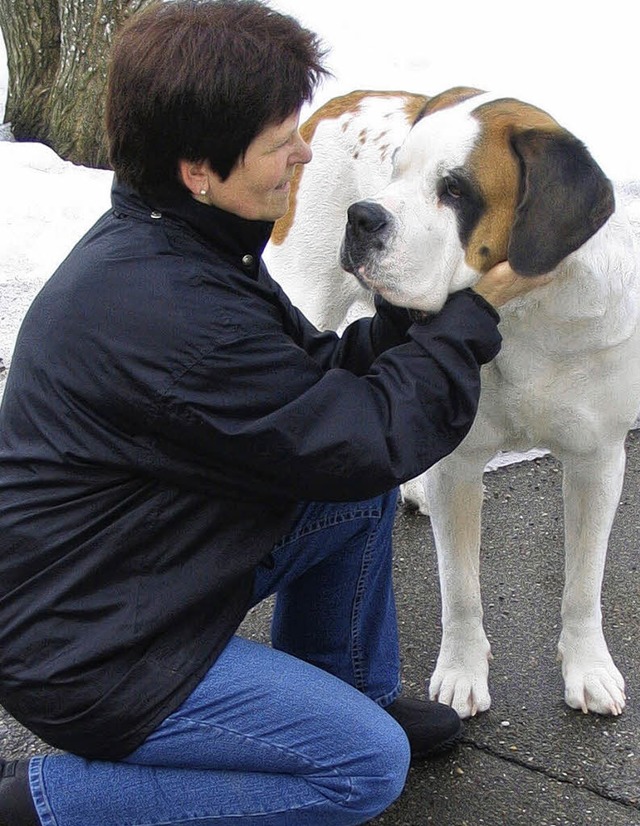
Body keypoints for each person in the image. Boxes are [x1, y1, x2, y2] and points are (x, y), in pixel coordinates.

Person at [0, 1, 552, 824]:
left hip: (136, 569)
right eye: (277, 144)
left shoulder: (183, 240)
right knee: (363, 772)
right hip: (96, 655)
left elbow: (316, 388)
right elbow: (369, 435)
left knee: (348, 486)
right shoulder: (176, 313)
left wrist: (412, 303)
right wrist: (473, 317)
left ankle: (347, 689)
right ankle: (44, 801)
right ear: (198, 168)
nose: (302, 153)